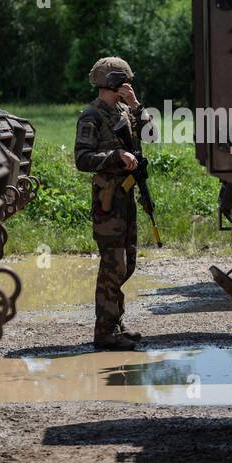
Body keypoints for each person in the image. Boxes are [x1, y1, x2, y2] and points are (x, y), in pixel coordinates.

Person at [74, 57, 153, 350]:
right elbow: (82, 159)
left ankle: (116, 322)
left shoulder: (125, 110)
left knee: (127, 261)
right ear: (112, 82)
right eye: (124, 81)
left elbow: (151, 136)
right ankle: (105, 331)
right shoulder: (91, 116)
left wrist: (136, 107)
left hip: (127, 194)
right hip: (108, 197)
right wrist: (115, 157)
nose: (128, 85)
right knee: (112, 263)